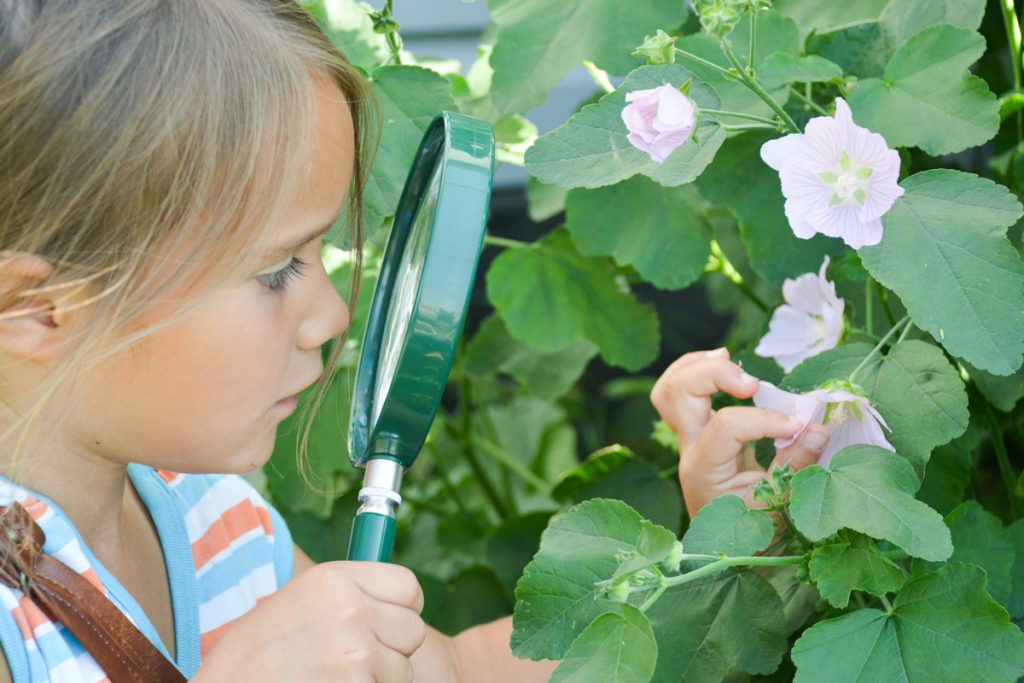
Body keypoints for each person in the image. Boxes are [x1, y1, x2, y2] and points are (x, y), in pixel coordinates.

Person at [0, 1, 829, 681]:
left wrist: (704, 560)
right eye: (276, 269)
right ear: (40, 307)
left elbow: (456, 674)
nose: (330, 316)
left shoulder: (213, 518)